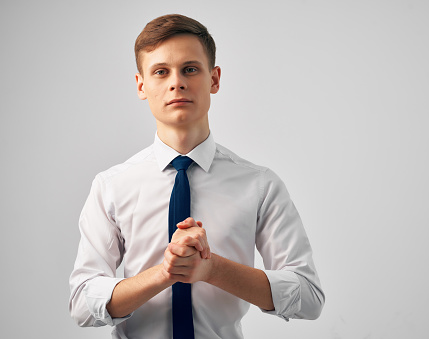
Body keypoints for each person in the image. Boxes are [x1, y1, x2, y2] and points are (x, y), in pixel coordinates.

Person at [69, 14, 324, 338]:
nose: (177, 82)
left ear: (214, 79)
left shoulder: (260, 186)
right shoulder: (111, 187)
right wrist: (164, 273)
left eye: (190, 69)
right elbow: (81, 303)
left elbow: (309, 296)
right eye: (161, 72)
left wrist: (212, 269)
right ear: (141, 85)